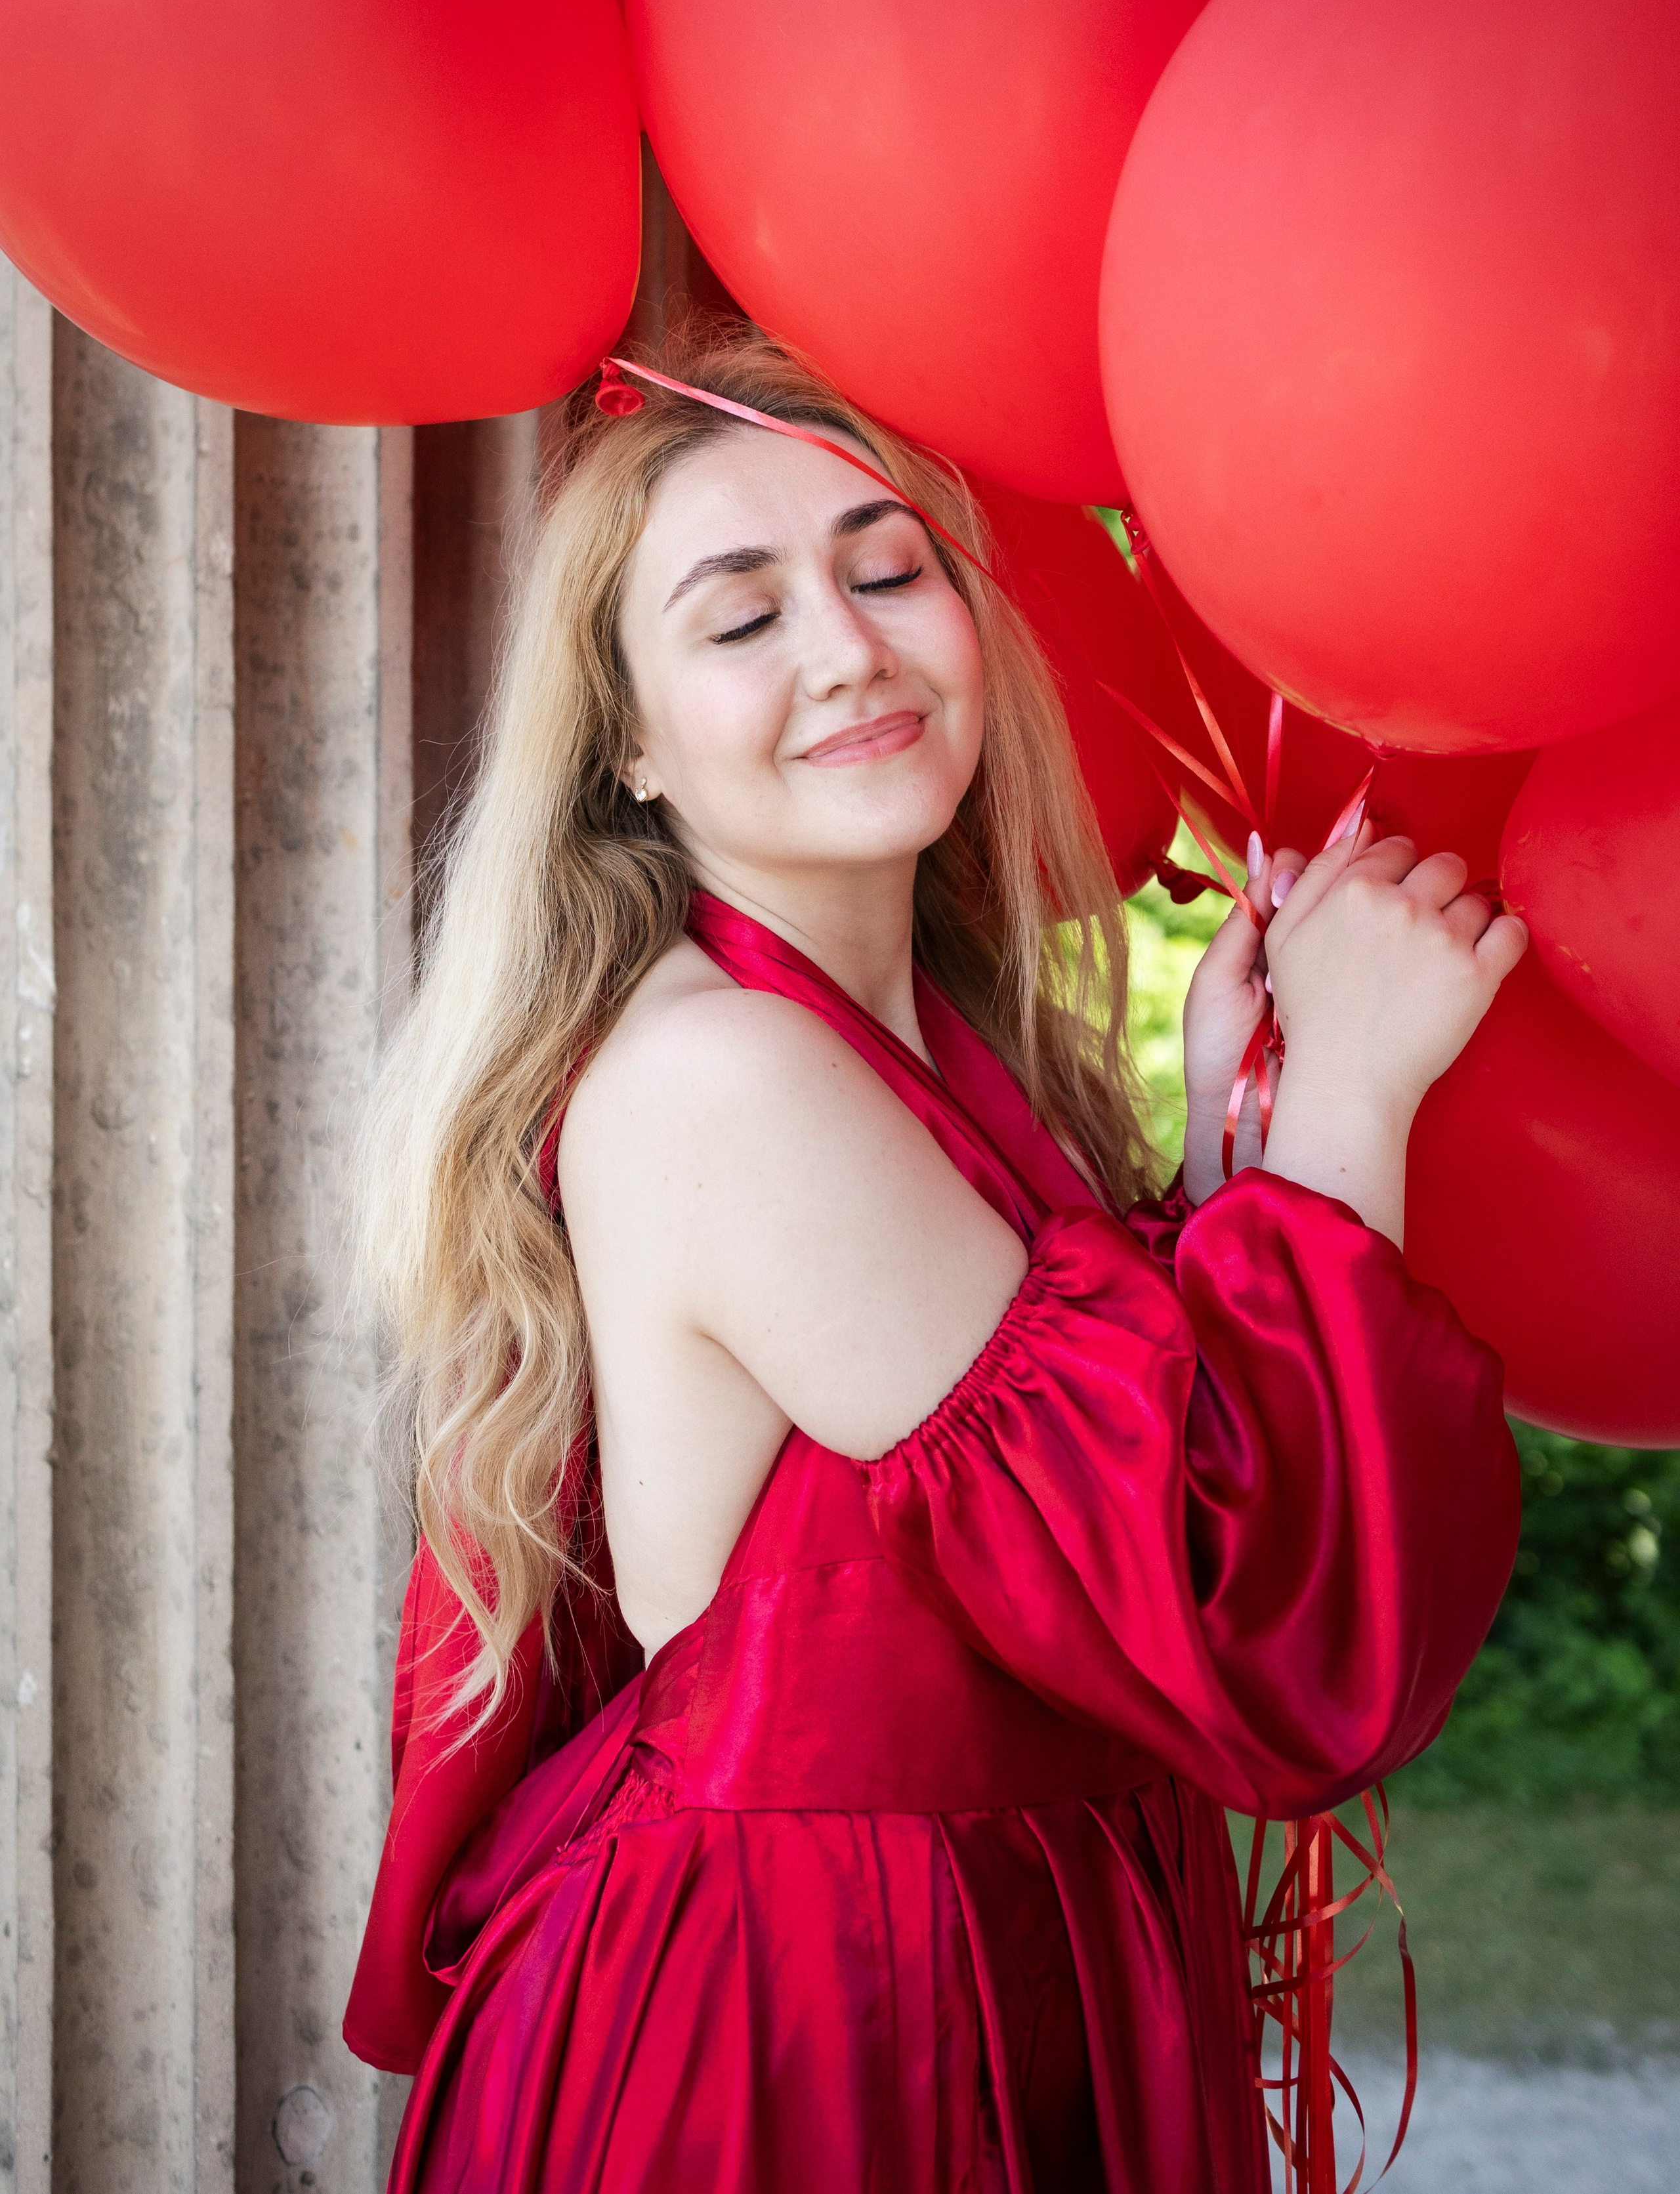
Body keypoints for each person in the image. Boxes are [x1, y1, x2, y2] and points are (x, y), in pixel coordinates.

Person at [345, 331, 1524, 2192]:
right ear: (628, 741)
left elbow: (1101, 1458)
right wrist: (1349, 1109)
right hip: (817, 2025)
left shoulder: (946, 1046)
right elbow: (1242, 1621)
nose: (848, 645)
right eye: (741, 619)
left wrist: (1226, 1139)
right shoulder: (720, 1074)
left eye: (889, 568)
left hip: (1002, 1954)